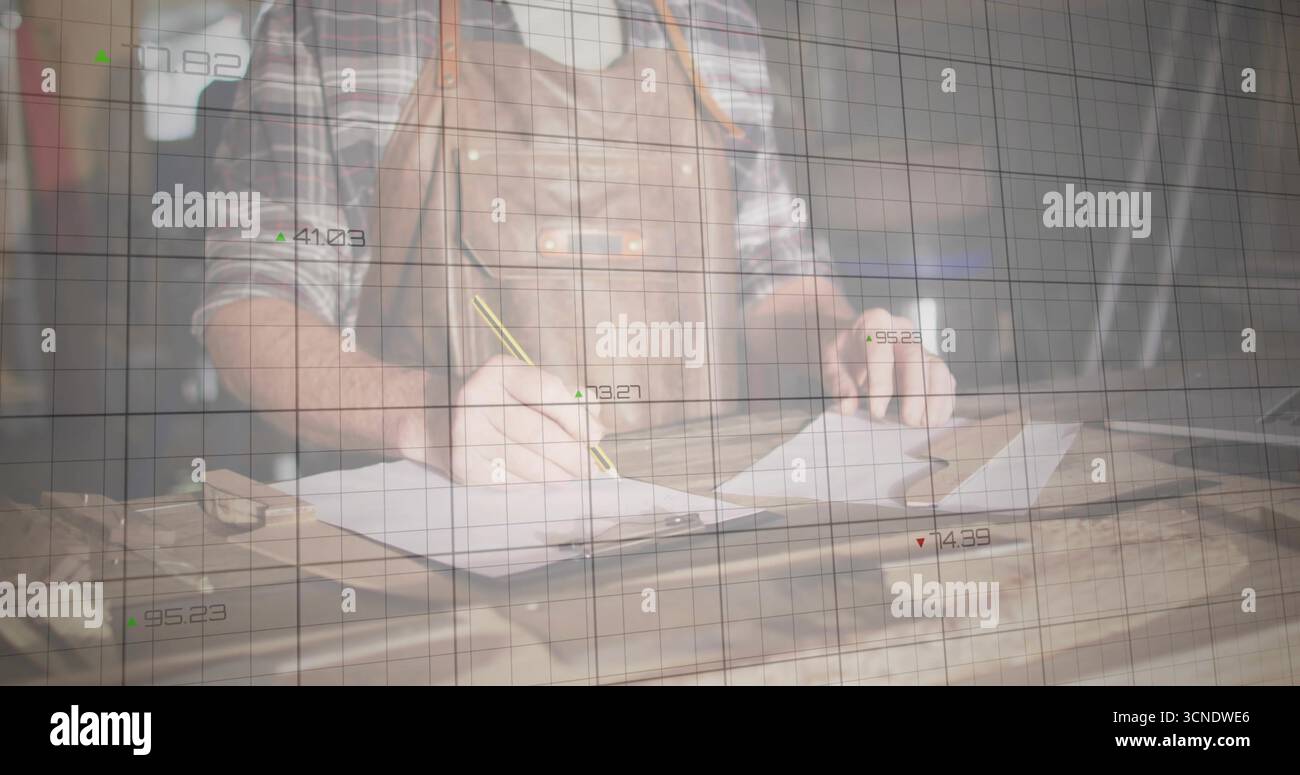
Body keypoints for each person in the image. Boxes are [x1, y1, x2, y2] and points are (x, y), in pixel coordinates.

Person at [194, 0, 955, 485]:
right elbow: (253, 313)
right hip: (443, 576)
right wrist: (426, 414)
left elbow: (774, 275)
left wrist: (847, 340)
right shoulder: (339, 23)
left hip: (702, 533)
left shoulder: (717, 25)